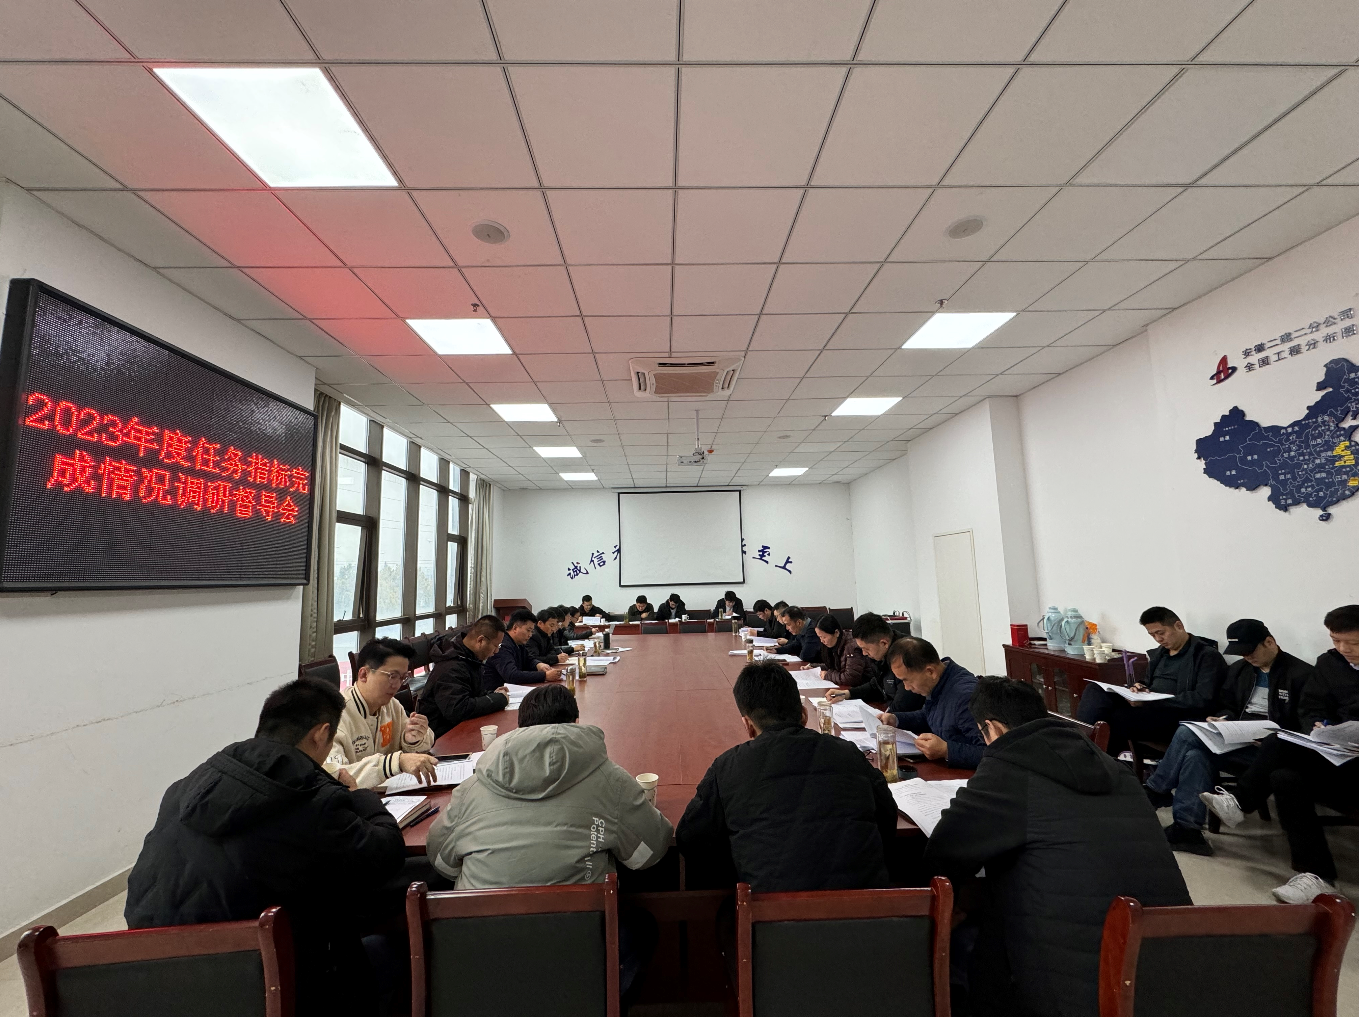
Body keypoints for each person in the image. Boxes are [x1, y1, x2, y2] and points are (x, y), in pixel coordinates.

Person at [126, 678, 408, 1017]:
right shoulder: (313, 798)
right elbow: (385, 854)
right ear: (321, 734)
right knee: (400, 949)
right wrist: (359, 795)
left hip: (151, 976)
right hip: (261, 984)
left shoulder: (189, 784)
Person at [925, 677, 1191, 1017]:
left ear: (991, 728)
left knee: (973, 933)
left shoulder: (1009, 766)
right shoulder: (1114, 767)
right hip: (1169, 961)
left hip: (1081, 987)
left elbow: (944, 852)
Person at [425, 682, 672, 997]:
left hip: (479, 952)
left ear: (520, 727)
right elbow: (650, 851)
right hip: (576, 952)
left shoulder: (472, 787)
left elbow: (442, 862)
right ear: (576, 724)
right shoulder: (611, 779)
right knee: (641, 924)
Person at [677, 661, 897, 892]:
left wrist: (742, 855)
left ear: (748, 725)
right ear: (804, 715)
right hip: (867, 909)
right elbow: (887, 815)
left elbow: (691, 839)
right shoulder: (849, 753)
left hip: (770, 912)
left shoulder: (727, 767)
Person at [1201, 605, 1359, 903]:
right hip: (1336, 754)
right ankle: (1317, 876)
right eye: (1336, 640)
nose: (1343, 649)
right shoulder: (1330, 663)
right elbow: (1311, 706)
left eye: (1352, 642)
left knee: (1278, 748)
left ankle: (1240, 802)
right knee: (1284, 775)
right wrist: (1317, 725)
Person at [1146, 619, 1315, 855]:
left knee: (1188, 736)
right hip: (1238, 738)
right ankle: (1187, 830)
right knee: (1195, 751)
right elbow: (1228, 705)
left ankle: (1156, 790)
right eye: (1241, 653)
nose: (1247, 657)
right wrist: (1222, 718)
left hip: (1272, 750)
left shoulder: (1301, 675)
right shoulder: (1240, 670)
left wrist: (1270, 736)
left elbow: (1305, 722)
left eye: (1250, 651)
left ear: (1269, 642)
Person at [1077, 606, 1226, 757]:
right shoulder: (1160, 654)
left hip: (1177, 714)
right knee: (1095, 689)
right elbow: (1149, 682)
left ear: (1179, 626)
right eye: (1152, 635)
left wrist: (1154, 702)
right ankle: (1083, 745)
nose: (1158, 639)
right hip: (1150, 706)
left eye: (1161, 633)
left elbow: (1203, 699)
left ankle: (1086, 754)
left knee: (1113, 719)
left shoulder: (1206, 656)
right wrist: (1139, 686)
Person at [325, 637, 439, 790]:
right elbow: (335, 776)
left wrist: (413, 740)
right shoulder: (335, 715)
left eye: (403, 678)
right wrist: (395, 762)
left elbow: (424, 744)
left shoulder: (391, 705)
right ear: (363, 675)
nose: (397, 685)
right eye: (392, 676)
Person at [876, 637, 986, 769]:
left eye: (907, 680)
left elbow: (992, 753)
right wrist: (896, 719)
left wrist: (946, 750)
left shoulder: (965, 697)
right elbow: (929, 716)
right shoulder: (939, 681)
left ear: (930, 672)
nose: (906, 687)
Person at [418, 615, 512, 739]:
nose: (496, 652)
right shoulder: (451, 667)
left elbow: (472, 693)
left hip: (462, 729)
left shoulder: (470, 658)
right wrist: (498, 699)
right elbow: (458, 710)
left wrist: (492, 694)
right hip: (442, 737)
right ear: (481, 641)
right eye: (496, 646)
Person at [827, 613, 924, 713]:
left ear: (884, 643)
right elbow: (876, 685)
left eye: (866, 649)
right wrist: (847, 694)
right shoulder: (881, 655)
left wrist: (884, 717)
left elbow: (904, 704)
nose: (864, 653)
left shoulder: (907, 656)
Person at [482, 609, 562, 690]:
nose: (530, 635)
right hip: (496, 692)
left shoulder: (519, 643)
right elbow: (512, 675)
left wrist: (539, 665)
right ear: (515, 628)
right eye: (528, 630)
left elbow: (528, 659)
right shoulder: (503, 645)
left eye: (532, 631)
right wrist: (544, 676)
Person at [812, 613, 870, 689]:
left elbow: (851, 678)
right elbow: (835, 665)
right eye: (820, 637)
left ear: (836, 633)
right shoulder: (834, 644)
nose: (822, 641)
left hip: (861, 689)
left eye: (824, 637)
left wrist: (828, 675)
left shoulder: (851, 647)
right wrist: (814, 667)